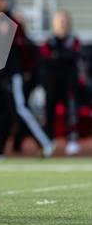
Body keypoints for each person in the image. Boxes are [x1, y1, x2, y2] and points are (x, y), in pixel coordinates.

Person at [0, 0, 54, 158]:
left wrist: (24, 71)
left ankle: (44, 142)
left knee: (20, 110)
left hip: (11, 74)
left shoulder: (13, 21)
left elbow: (23, 48)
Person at [40, 9, 83, 155]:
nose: (62, 24)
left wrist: (57, 57)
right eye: (59, 21)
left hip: (69, 83)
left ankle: (71, 141)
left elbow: (73, 56)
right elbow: (46, 60)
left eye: (64, 21)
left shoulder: (74, 41)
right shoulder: (48, 42)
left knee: (71, 112)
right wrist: (60, 57)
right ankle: (48, 143)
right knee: (49, 113)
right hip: (52, 84)